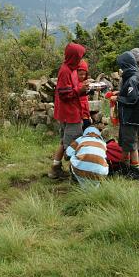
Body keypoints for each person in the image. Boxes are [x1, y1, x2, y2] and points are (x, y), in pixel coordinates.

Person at [49, 42, 90, 179]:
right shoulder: (65, 71)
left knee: (63, 141)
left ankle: (55, 168)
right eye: (78, 57)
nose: (80, 61)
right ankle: (76, 174)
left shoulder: (71, 69)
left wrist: (84, 90)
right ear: (73, 57)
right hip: (70, 114)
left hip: (69, 112)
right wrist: (80, 89)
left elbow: (74, 90)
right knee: (73, 144)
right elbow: (64, 94)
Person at [114, 50, 139, 180]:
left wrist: (118, 99)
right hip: (128, 118)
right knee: (125, 142)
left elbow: (132, 99)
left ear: (126, 65)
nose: (121, 70)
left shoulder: (132, 79)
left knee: (131, 144)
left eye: (122, 67)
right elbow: (129, 93)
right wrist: (120, 93)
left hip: (131, 118)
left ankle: (136, 171)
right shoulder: (133, 76)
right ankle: (124, 165)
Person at [77, 59, 92, 130]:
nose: (83, 76)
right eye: (80, 74)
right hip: (78, 116)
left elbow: (85, 102)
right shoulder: (75, 86)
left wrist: (89, 116)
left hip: (85, 115)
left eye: (84, 74)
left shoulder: (85, 84)